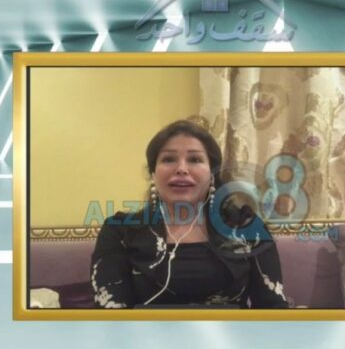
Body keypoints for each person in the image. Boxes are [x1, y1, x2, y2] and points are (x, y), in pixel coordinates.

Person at [90, 120, 289, 308]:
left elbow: (272, 309)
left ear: (212, 174)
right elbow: (111, 315)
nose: (181, 169)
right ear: (153, 174)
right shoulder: (119, 231)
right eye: (168, 159)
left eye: (194, 159)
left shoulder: (248, 227)